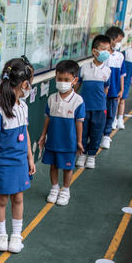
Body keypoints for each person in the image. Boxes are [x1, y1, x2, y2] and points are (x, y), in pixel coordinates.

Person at [0, 58, 36, 254]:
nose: (29, 87)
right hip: (3, 164)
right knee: (2, 200)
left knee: (18, 198)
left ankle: (16, 235)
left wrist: (30, 158)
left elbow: (26, 133)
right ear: (24, 84)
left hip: (20, 162)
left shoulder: (24, 107)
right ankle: (1, 234)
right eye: (29, 83)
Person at [37, 59, 85, 206]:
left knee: (68, 167)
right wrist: (43, 135)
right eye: (59, 79)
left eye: (66, 80)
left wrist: (79, 141)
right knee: (53, 165)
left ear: (74, 80)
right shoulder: (52, 99)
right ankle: (54, 187)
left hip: (69, 142)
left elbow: (79, 122)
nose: (62, 82)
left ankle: (65, 190)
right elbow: (47, 118)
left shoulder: (78, 101)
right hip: (53, 140)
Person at [76, 35, 111, 169]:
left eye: (108, 50)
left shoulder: (107, 71)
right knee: (83, 132)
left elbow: (105, 89)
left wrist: (101, 103)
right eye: (103, 49)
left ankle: (91, 156)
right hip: (85, 107)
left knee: (96, 133)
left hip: (99, 108)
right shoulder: (84, 68)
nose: (105, 53)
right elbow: (77, 86)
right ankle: (82, 154)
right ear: (94, 51)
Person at [101, 26, 125, 150]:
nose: (119, 43)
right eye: (119, 40)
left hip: (114, 91)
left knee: (111, 113)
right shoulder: (102, 55)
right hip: (101, 91)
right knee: (100, 113)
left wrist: (121, 89)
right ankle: (98, 134)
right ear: (112, 39)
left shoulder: (120, 56)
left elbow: (121, 75)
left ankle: (106, 135)